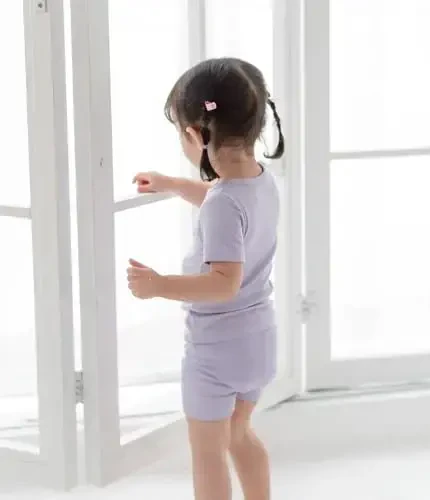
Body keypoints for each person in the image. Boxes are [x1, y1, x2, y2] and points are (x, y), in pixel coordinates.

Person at [127, 57, 284, 500]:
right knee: (239, 434)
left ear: (196, 136)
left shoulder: (221, 205)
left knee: (208, 454)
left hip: (217, 349)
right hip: (259, 342)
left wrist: (159, 285)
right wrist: (174, 184)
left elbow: (222, 282)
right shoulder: (261, 181)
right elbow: (222, 198)